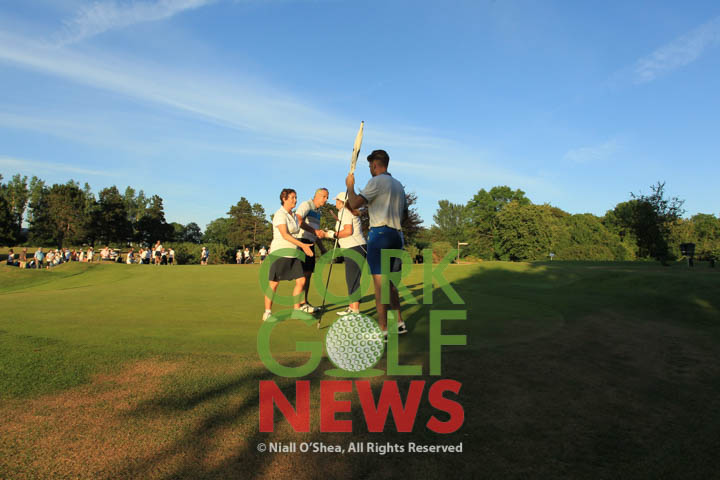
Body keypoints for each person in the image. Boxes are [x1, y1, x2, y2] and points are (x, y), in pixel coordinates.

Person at [345, 149, 408, 337]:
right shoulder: (398, 185)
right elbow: (404, 214)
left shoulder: (376, 181)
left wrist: (350, 186)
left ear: (375, 165)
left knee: (380, 284)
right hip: (397, 235)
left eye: (370, 166)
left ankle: (383, 329)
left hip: (380, 235)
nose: (370, 169)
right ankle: (399, 323)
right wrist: (368, 213)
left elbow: (354, 203)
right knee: (391, 284)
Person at [263, 188, 315, 321]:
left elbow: (298, 230)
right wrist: (303, 245)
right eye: (292, 197)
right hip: (280, 253)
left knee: (301, 280)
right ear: (284, 199)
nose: (295, 200)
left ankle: (296, 310)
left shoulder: (293, 215)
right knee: (274, 284)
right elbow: (285, 235)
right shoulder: (280, 214)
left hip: (293, 253)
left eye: (296, 197)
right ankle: (267, 312)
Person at [326, 192, 367, 316]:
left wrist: (332, 234)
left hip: (353, 248)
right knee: (352, 278)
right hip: (356, 248)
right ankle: (351, 307)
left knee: (352, 279)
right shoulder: (348, 212)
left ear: (342, 202)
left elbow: (348, 231)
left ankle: (355, 310)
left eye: (337, 200)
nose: (336, 203)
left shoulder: (344, 211)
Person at [294, 188, 329, 313]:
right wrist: (314, 231)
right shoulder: (306, 205)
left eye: (327, 197)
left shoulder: (318, 212)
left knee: (308, 274)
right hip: (301, 242)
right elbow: (298, 220)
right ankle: (299, 305)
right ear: (317, 196)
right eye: (324, 196)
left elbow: (316, 233)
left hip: (310, 243)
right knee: (302, 276)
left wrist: (322, 248)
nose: (326, 200)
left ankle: (304, 303)